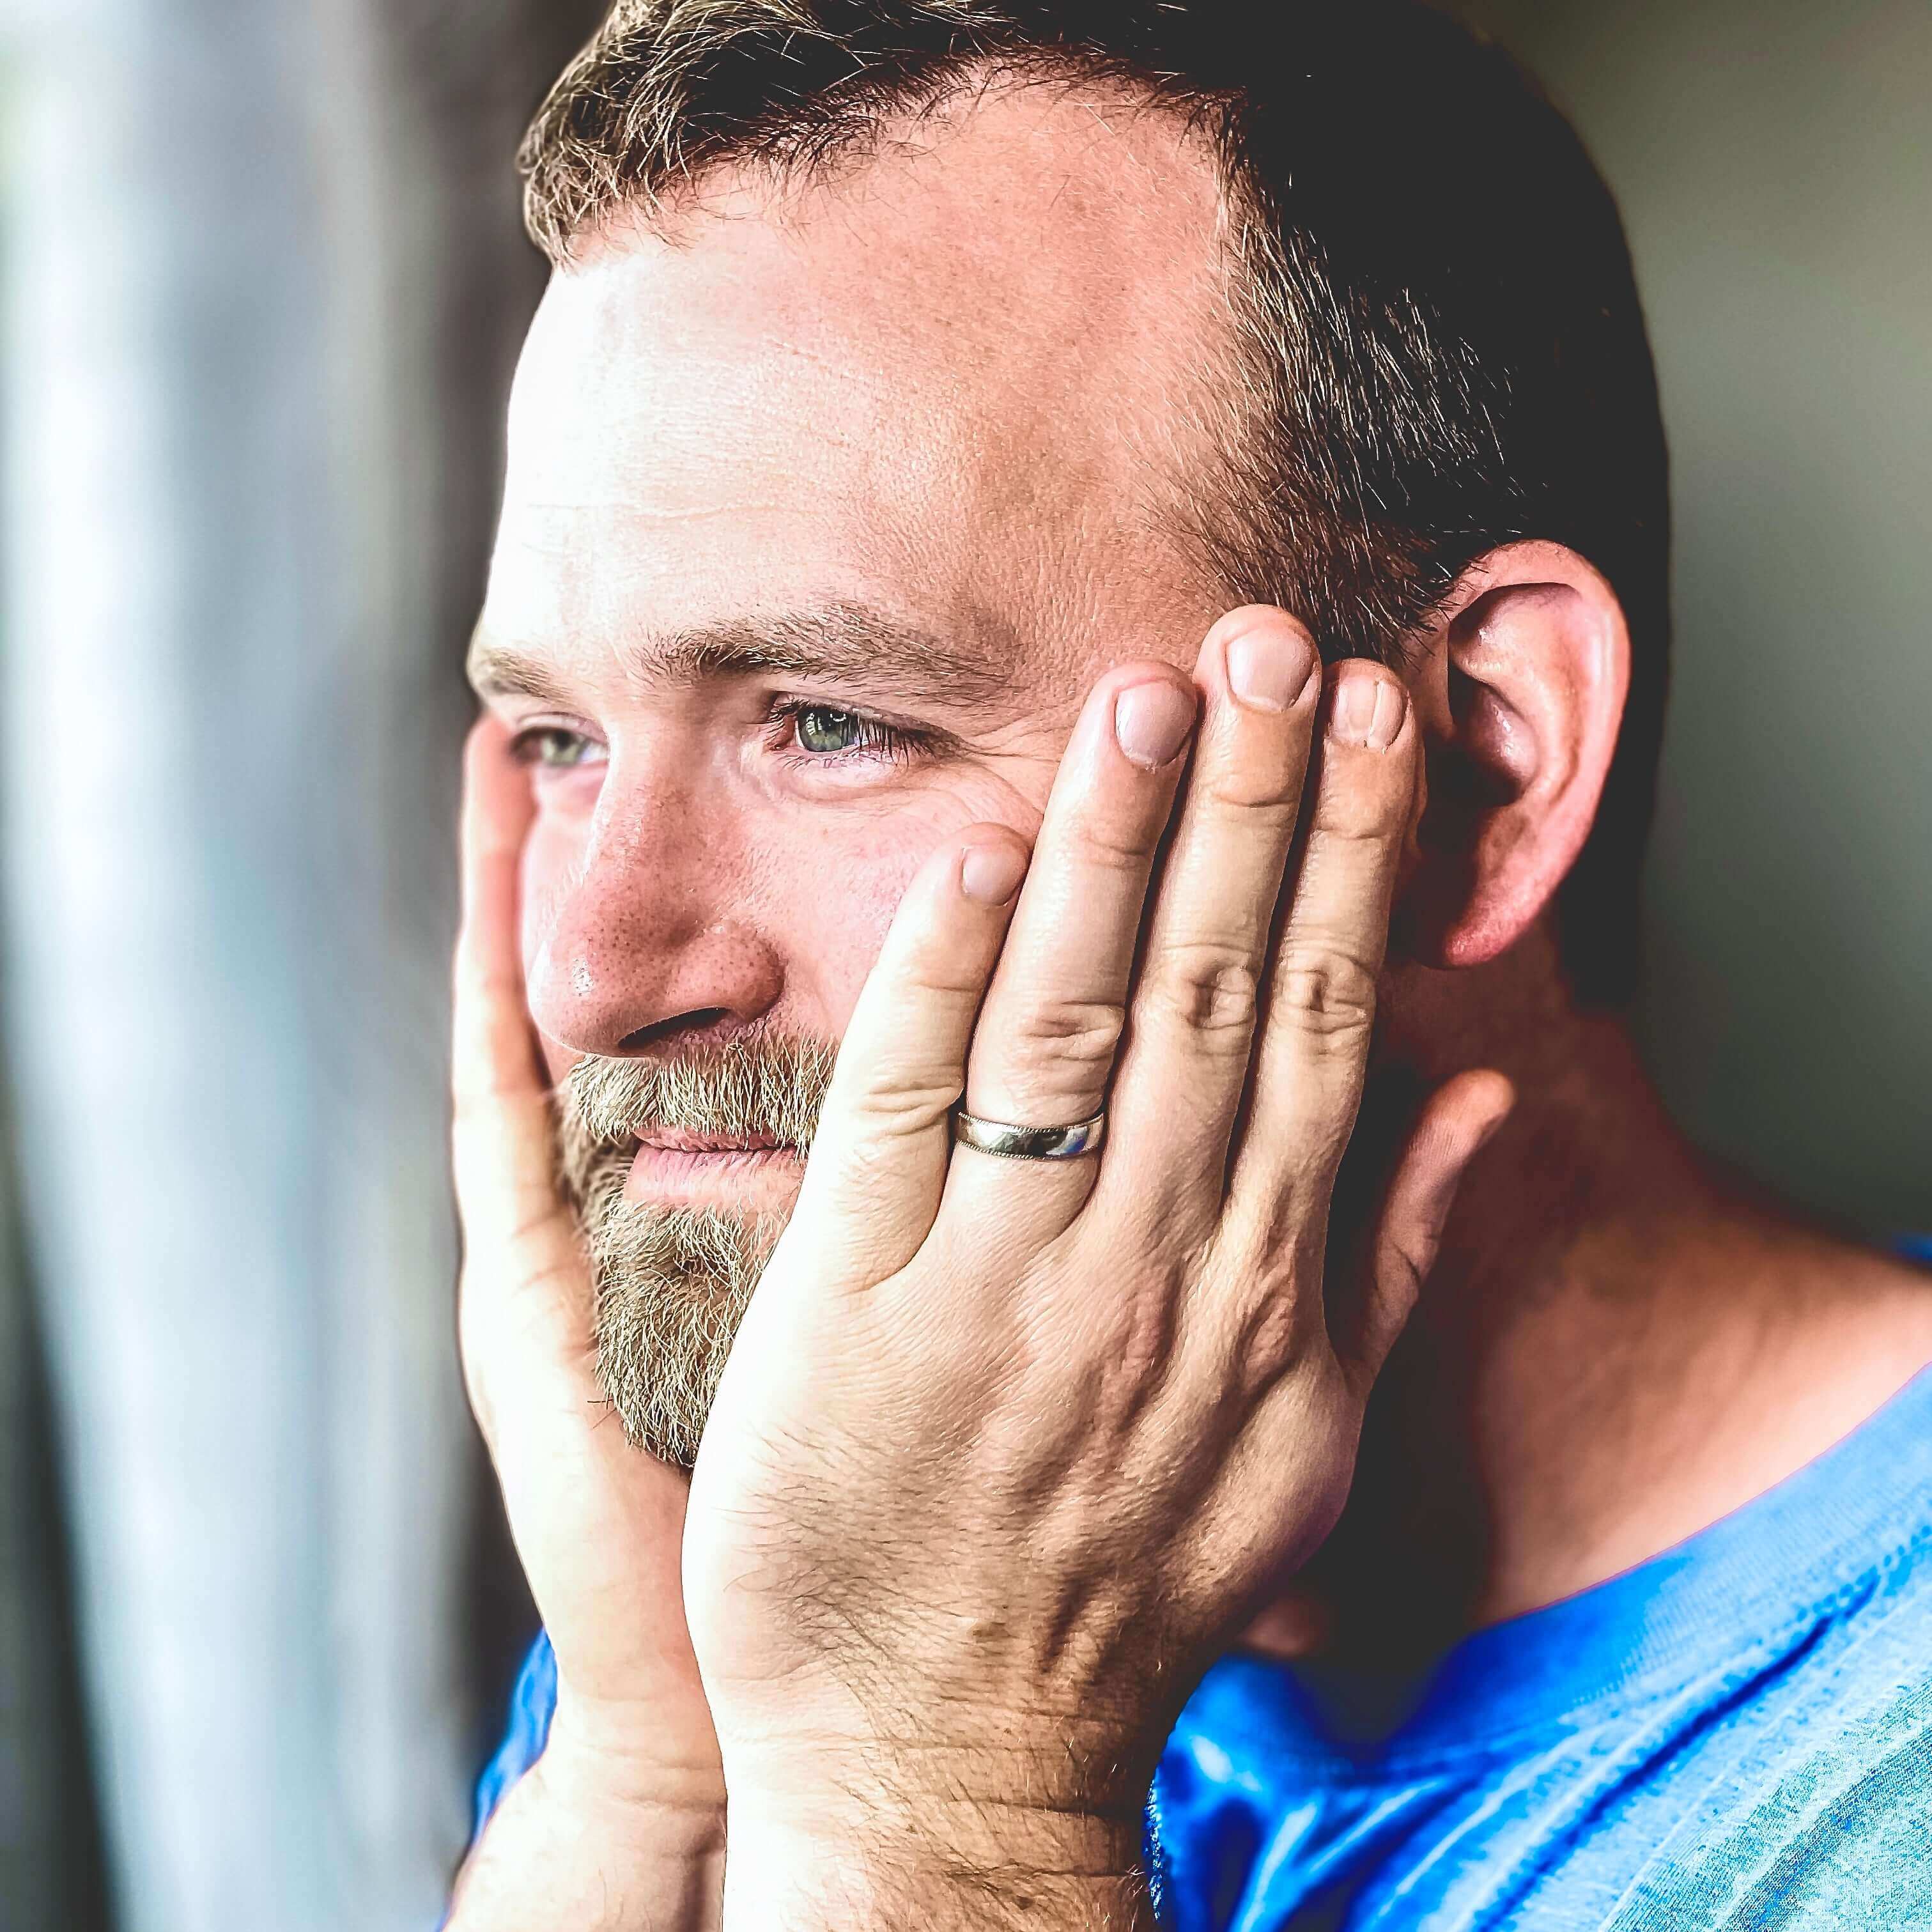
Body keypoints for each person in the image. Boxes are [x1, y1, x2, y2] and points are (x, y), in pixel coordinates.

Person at [443, 4, 1932, 1928]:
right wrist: (654, 1774)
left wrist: (941, 1810)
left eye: (827, 721)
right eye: (559, 740)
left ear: (1476, 765)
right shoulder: (748, 1589)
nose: (587, 968)